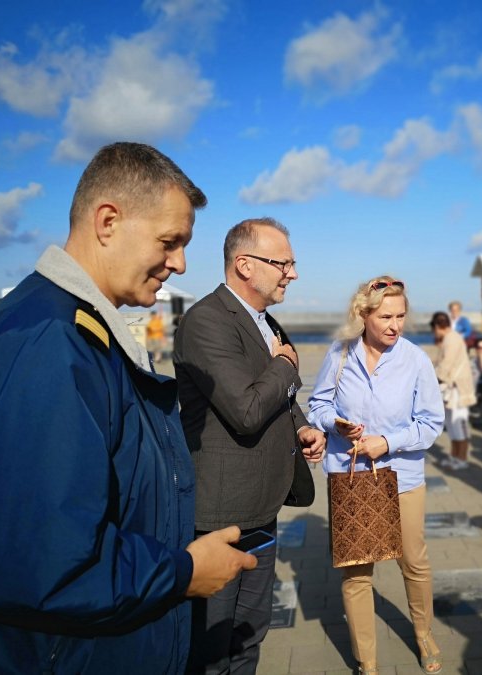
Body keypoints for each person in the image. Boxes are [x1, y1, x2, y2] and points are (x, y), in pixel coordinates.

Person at [0, 142, 255, 674]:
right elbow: (43, 566)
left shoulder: (78, 333)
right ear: (108, 221)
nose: (180, 262)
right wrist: (183, 572)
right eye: (169, 242)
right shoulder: (50, 345)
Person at [173, 217, 326, 674]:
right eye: (283, 262)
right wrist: (285, 365)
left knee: (250, 636)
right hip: (220, 518)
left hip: (262, 511)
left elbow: (278, 396)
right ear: (244, 264)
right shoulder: (206, 322)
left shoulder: (266, 321)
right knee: (212, 650)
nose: (292, 273)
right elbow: (245, 409)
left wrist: (300, 426)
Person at [308, 276, 445, 675]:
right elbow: (317, 405)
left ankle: (423, 634)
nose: (395, 325)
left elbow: (431, 423)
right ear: (363, 314)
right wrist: (335, 424)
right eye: (386, 316)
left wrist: (386, 442)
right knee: (356, 571)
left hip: (401, 476)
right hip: (351, 479)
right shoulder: (339, 354)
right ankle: (366, 661)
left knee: (414, 563)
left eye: (400, 316)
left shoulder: (416, 359)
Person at [430, 311, 477, 470]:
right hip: (454, 388)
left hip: (458, 389)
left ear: (437, 326)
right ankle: (455, 457)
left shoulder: (451, 339)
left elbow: (446, 365)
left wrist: (431, 379)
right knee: (452, 425)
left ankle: (461, 459)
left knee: (458, 425)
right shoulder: (453, 337)